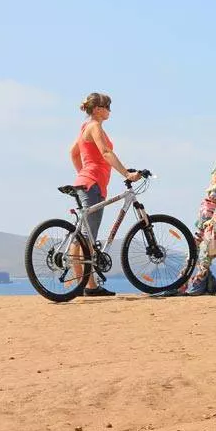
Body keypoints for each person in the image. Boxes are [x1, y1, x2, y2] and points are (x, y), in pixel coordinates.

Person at [69, 92, 140, 297]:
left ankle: (85, 285)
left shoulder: (85, 127)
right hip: (92, 185)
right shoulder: (95, 127)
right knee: (86, 238)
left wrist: (82, 173)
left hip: (87, 182)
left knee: (83, 236)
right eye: (108, 107)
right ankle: (88, 286)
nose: (110, 111)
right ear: (98, 109)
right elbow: (106, 153)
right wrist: (127, 173)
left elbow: (73, 153)